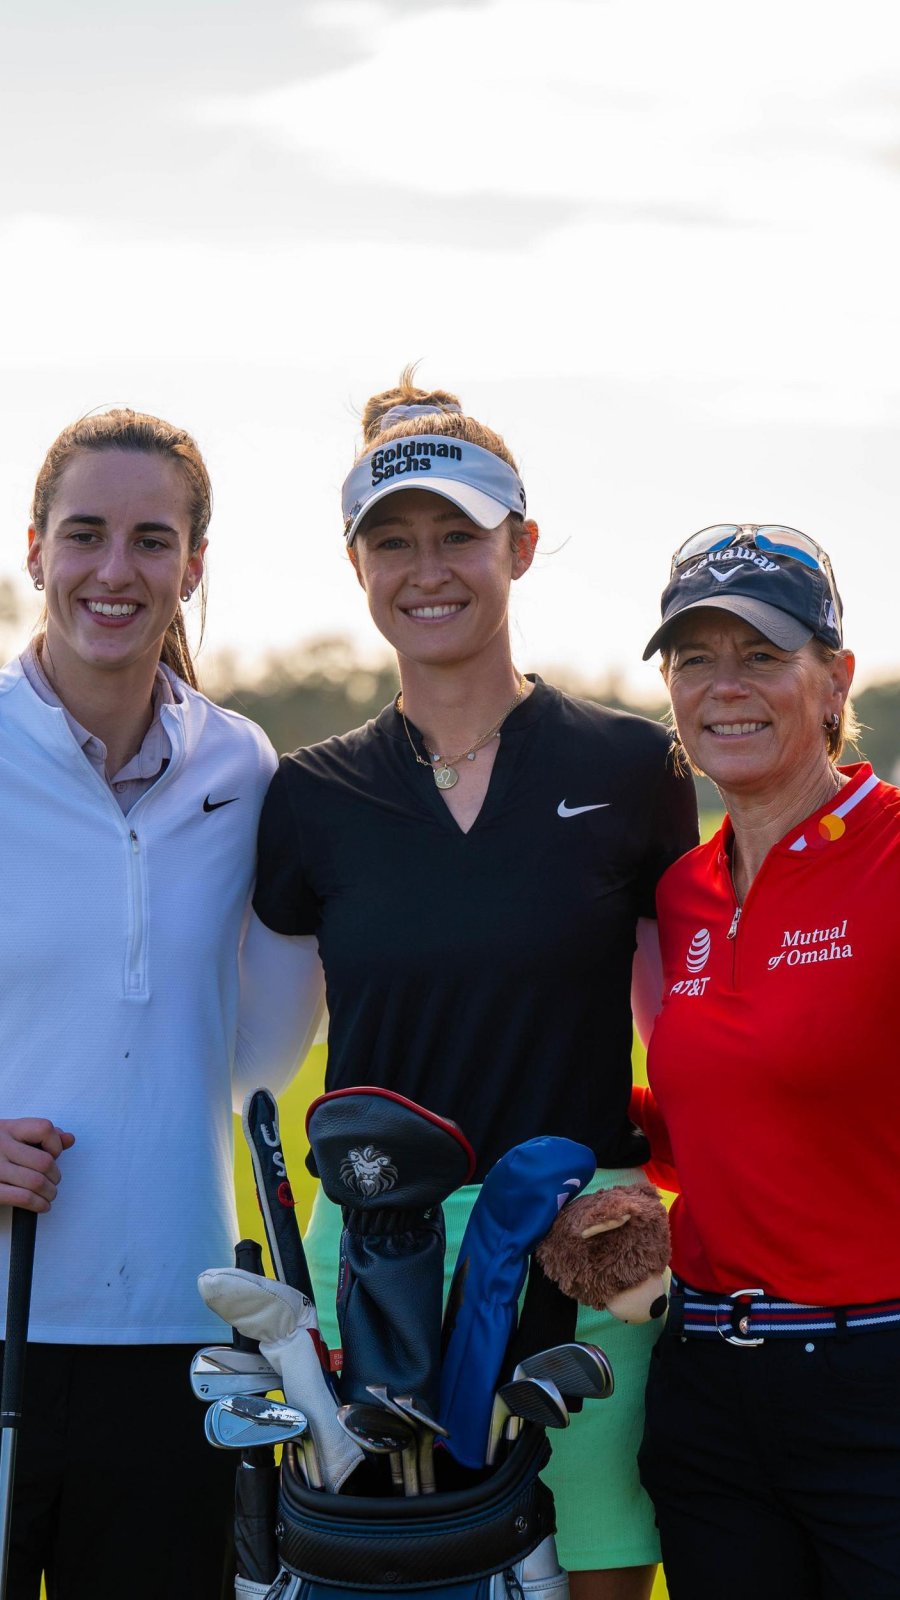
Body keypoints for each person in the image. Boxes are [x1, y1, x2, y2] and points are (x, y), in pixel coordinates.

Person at [252, 373, 698, 1600]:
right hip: (379, 1239)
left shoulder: (631, 764)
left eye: (458, 532)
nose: (427, 567)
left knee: (596, 1525)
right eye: (391, 541)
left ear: (522, 544)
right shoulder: (309, 794)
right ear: (357, 567)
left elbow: (687, 1031)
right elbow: (263, 1040)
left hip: (588, 1239)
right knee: (400, 1566)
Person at [0, 409, 322, 1600]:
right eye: (85, 534)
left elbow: (260, 1048)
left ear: (193, 565)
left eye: (152, 539)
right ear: (35, 549)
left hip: (181, 1334)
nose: (114, 570)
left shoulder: (242, 770)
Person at [634, 524, 900, 1598]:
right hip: (709, 1392)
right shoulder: (681, 891)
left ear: (833, 679)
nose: (723, 686)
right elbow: (725, 1117)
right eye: (695, 657)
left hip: (875, 1382)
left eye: (760, 654)